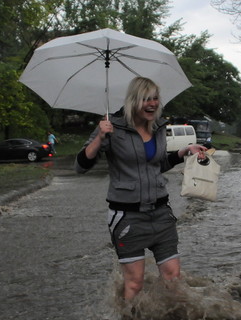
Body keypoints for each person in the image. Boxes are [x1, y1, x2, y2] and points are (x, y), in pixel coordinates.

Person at [74, 77, 207, 300]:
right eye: (146, 99)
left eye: (155, 98)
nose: (152, 104)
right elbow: (80, 166)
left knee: (173, 277)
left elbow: (158, 164)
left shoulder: (158, 127)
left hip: (161, 213)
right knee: (134, 284)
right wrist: (99, 137)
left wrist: (184, 151)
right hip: (127, 217)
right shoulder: (112, 127)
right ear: (134, 100)